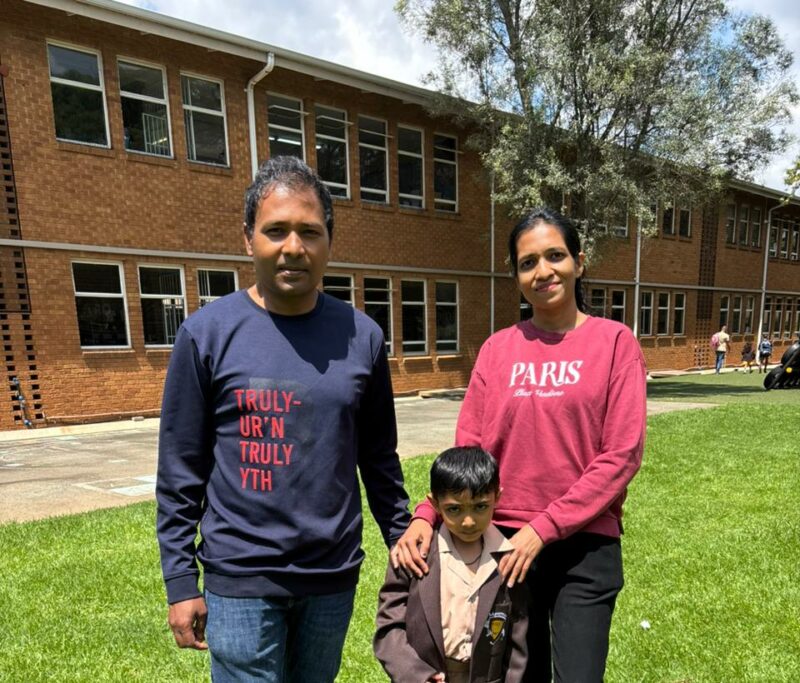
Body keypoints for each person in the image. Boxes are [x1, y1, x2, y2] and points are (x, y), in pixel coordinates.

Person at [156, 156, 410, 683]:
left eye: (309, 232)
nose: (293, 247)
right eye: (276, 231)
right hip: (241, 577)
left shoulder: (362, 337)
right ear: (249, 239)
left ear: (328, 243)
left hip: (332, 575)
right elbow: (181, 469)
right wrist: (182, 582)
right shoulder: (206, 335)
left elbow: (378, 457)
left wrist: (402, 538)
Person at [392, 207, 647, 682]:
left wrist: (545, 527)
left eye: (555, 256)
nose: (543, 271)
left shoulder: (614, 343)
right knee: (509, 678)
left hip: (585, 545)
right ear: (515, 274)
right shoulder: (497, 349)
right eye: (528, 262)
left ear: (579, 261)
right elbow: (467, 450)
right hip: (500, 545)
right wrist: (426, 515)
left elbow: (621, 456)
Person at [374, 447, 528, 683]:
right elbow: (389, 627)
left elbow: (518, 639)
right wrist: (417, 676)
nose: (468, 521)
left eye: (480, 506)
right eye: (454, 509)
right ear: (434, 504)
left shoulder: (509, 559)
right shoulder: (413, 554)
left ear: (497, 497)